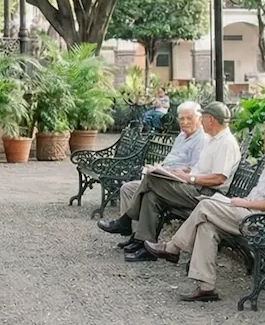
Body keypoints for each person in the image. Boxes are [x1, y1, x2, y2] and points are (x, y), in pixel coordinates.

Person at [144, 113, 265, 302]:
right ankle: (206, 287)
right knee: (207, 226)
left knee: (205, 205)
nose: (263, 137)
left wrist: (245, 203)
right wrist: (243, 203)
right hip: (251, 214)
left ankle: (173, 248)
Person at [99, 101, 241, 261]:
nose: (201, 120)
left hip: (206, 194)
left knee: (152, 178)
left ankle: (125, 221)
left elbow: (219, 178)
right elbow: (202, 169)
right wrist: (183, 173)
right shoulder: (213, 140)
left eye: (203, 117)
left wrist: (189, 178)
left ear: (211, 119)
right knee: (151, 195)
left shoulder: (226, 143)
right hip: (194, 187)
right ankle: (145, 245)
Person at [107, 101, 206, 228]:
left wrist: (171, 172)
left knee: (149, 190)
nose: (185, 122)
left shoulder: (201, 140)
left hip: (178, 184)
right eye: (182, 119)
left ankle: (125, 222)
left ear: (199, 119)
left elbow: (194, 170)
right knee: (127, 188)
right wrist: (159, 168)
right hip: (164, 178)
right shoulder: (182, 136)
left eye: (189, 118)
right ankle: (131, 231)